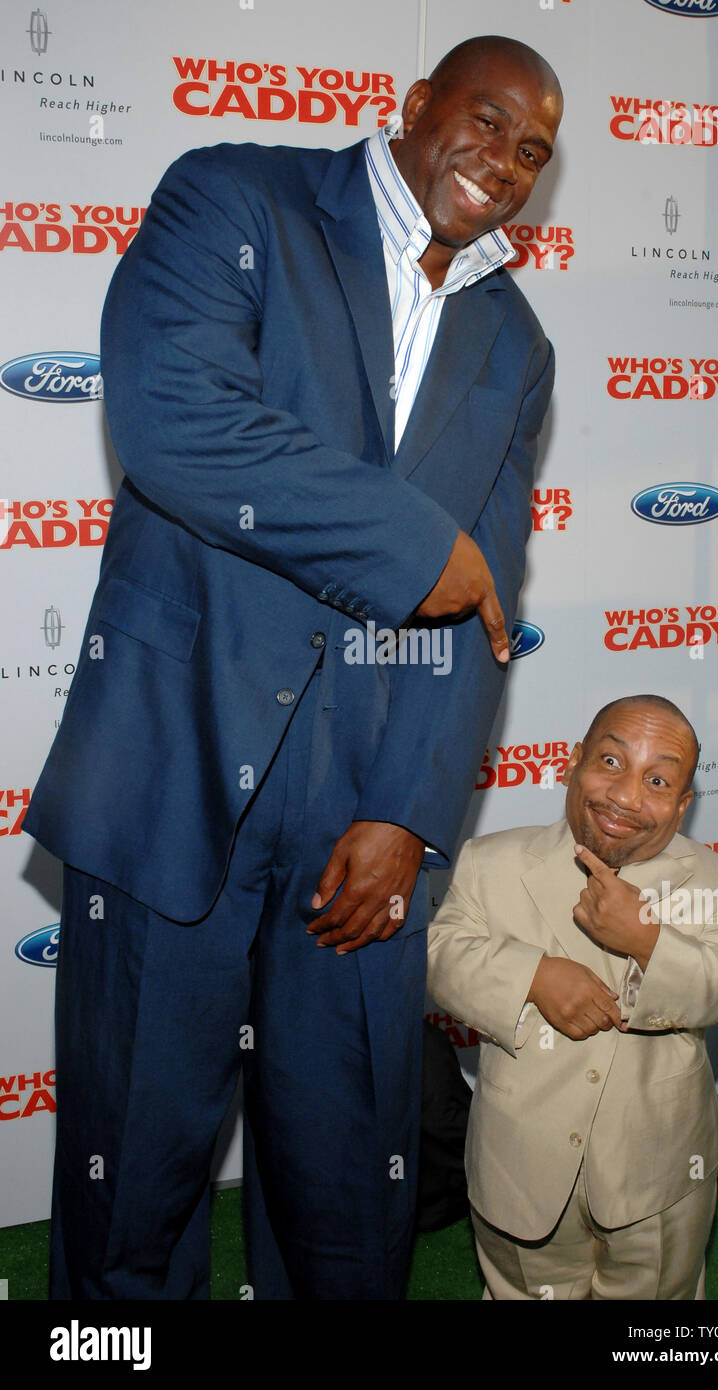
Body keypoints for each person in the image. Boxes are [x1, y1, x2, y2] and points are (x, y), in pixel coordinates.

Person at [23, 36, 563, 1299]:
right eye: (483, 120)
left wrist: (409, 809)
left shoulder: (512, 338)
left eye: (532, 149)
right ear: (416, 103)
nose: (502, 160)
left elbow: (481, 608)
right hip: (175, 768)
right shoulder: (234, 195)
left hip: (365, 813)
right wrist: (415, 547)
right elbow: (176, 422)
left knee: (341, 1190)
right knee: (131, 1191)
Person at [426, 694, 718, 1300]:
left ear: (683, 805)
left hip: (658, 1172)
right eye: (610, 761)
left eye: (657, 779)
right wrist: (533, 975)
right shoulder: (490, 861)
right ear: (574, 761)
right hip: (518, 1165)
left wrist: (645, 939)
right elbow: (441, 957)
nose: (626, 796)